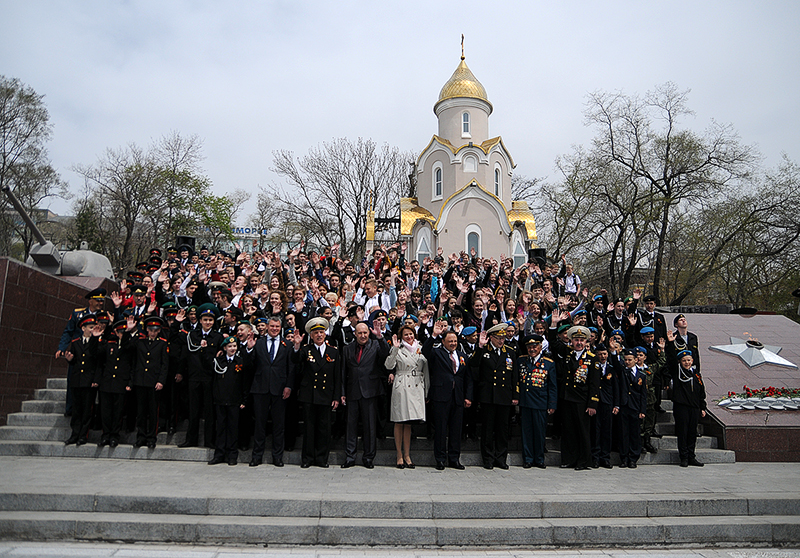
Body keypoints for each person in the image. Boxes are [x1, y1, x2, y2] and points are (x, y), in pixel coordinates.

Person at [422, 320, 473, 470]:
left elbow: (468, 378)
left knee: (456, 430)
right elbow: (425, 352)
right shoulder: (437, 353)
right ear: (443, 341)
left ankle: (454, 459)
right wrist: (433, 336)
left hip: (458, 397)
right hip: (441, 396)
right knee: (441, 429)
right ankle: (440, 459)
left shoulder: (462, 356)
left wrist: (468, 396)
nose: (453, 343)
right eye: (449, 341)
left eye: (455, 341)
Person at [291, 317, 341, 468]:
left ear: (325, 334)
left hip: (326, 395)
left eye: (321, 332)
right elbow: (295, 360)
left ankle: (321, 459)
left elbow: (337, 376)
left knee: (324, 429)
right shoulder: (305, 350)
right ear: (311, 336)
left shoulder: (333, 352)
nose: (319, 335)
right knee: (309, 428)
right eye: (316, 333)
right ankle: (307, 458)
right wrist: (297, 345)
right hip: (309, 395)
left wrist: (336, 396)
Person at [340, 321, 390, 469]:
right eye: (359, 333)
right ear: (355, 334)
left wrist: (380, 337)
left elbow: (386, 354)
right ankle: (350, 456)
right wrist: (342, 393)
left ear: (369, 333)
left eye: (365, 333)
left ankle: (368, 457)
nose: (362, 336)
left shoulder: (375, 345)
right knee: (351, 426)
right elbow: (343, 372)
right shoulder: (347, 349)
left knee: (369, 426)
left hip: (370, 391)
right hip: (352, 391)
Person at [550, 323, 601, 471]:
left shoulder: (592, 359)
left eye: (582, 340)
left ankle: (583, 461)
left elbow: (594, 384)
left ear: (587, 342)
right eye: (576, 340)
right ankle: (569, 459)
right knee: (568, 431)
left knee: (582, 432)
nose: (579, 343)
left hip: (582, 400)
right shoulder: (568, 354)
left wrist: (592, 403)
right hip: (567, 399)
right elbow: (554, 343)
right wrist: (553, 325)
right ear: (571, 341)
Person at [246, 316, 295, 467]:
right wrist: (249, 349)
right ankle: (257, 456)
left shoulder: (286, 344)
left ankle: (277, 456)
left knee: (278, 425)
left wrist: (288, 386)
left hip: (279, 389)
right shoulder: (258, 343)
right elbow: (249, 366)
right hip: (260, 388)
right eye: (272, 326)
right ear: (267, 327)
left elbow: (291, 368)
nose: (274, 329)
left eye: (277, 327)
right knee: (259, 424)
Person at [470, 323, 519, 470]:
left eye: (503, 338)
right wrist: (479, 347)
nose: (501, 341)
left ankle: (501, 457)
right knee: (487, 429)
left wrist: (515, 395)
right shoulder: (484, 350)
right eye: (498, 338)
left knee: (502, 429)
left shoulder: (510, 352)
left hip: (504, 395)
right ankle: (488, 458)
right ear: (491, 337)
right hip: (488, 395)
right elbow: (473, 365)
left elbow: (514, 375)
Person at [178, 303, 224, 449]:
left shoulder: (217, 337)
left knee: (209, 411)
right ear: (200, 320)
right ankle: (191, 439)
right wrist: (181, 372)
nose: (208, 323)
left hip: (209, 377)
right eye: (205, 319)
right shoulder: (193, 335)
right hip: (194, 376)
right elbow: (185, 355)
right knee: (193, 410)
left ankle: (209, 441)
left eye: (210, 320)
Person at [56, 287, 106, 416]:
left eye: (102, 300)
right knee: (73, 380)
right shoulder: (78, 313)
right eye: (98, 300)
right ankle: (70, 408)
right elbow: (68, 331)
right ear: (90, 301)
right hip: (78, 353)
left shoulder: (104, 316)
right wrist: (62, 348)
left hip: (93, 354)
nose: (100, 303)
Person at [385, 325, 429, 469]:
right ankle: (399, 454)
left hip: (416, 385)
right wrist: (395, 349)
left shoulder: (421, 348)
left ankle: (407, 455)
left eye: (411, 334)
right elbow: (388, 365)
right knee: (399, 421)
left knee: (409, 422)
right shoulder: (398, 349)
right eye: (406, 335)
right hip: (402, 385)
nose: (409, 337)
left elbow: (426, 369)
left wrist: (426, 390)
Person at [207, 336, 250, 466]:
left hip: (234, 401)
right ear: (225, 348)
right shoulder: (218, 361)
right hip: (220, 400)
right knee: (220, 428)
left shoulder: (240, 361)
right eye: (230, 346)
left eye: (234, 346)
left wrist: (244, 399)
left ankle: (232, 455)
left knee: (233, 428)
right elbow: (213, 381)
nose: (232, 348)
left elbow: (244, 383)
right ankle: (219, 454)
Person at [515, 335, 556, 469]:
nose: (532, 349)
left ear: (540, 347)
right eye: (529, 347)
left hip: (540, 402)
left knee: (539, 432)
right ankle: (527, 458)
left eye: (535, 347)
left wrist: (552, 404)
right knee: (526, 432)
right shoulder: (521, 361)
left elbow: (552, 386)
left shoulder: (549, 363)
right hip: (526, 402)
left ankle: (539, 459)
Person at [128, 315, 169, 449]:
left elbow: (164, 364)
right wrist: (131, 331)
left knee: (152, 412)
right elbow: (129, 347)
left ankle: (152, 437)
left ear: (158, 331)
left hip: (153, 382)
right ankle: (141, 437)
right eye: (150, 330)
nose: (152, 332)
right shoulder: (140, 341)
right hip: (141, 381)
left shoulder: (162, 343)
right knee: (141, 412)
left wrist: (161, 381)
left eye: (155, 330)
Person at [63, 315, 102, 445]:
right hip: (77, 380)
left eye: (93, 327)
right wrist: (70, 359)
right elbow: (75, 360)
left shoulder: (96, 342)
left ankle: (83, 436)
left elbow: (98, 362)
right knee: (76, 410)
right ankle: (74, 434)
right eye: (90, 327)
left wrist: (96, 379)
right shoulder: (75, 342)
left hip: (88, 381)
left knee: (87, 410)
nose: (92, 330)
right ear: (83, 328)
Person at [96, 319, 134, 447]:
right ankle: (105, 435)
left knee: (118, 412)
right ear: (116, 332)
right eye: (120, 332)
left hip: (120, 383)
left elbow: (128, 349)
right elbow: (98, 354)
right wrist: (96, 339)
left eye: (124, 332)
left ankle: (114, 436)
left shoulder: (127, 346)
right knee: (105, 412)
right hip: (107, 382)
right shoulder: (109, 345)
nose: (122, 334)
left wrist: (128, 332)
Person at [670, 345, 707, 467]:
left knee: (692, 432)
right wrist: (670, 344)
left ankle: (691, 456)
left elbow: (701, 391)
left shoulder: (696, 374)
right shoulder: (678, 372)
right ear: (680, 361)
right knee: (683, 432)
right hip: (682, 407)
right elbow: (670, 360)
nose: (687, 362)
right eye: (684, 360)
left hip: (694, 407)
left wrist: (702, 407)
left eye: (689, 360)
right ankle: (684, 457)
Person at [613, 349, 647, 468]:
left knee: (635, 434)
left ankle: (633, 458)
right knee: (623, 433)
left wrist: (642, 410)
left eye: (630, 360)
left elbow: (643, 394)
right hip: (624, 406)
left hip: (635, 407)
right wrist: (614, 352)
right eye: (626, 360)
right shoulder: (622, 372)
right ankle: (624, 458)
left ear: (636, 360)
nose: (627, 362)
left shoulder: (641, 375)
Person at [591, 342, 619, 469]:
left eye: (604, 354)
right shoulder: (593, 367)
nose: (602, 356)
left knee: (607, 431)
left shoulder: (612, 369)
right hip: (596, 403)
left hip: (608, 403)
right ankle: (595, 458)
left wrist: (616, 404)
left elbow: (616, 388)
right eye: (600, 354)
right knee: (595, 431)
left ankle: (605, 457)